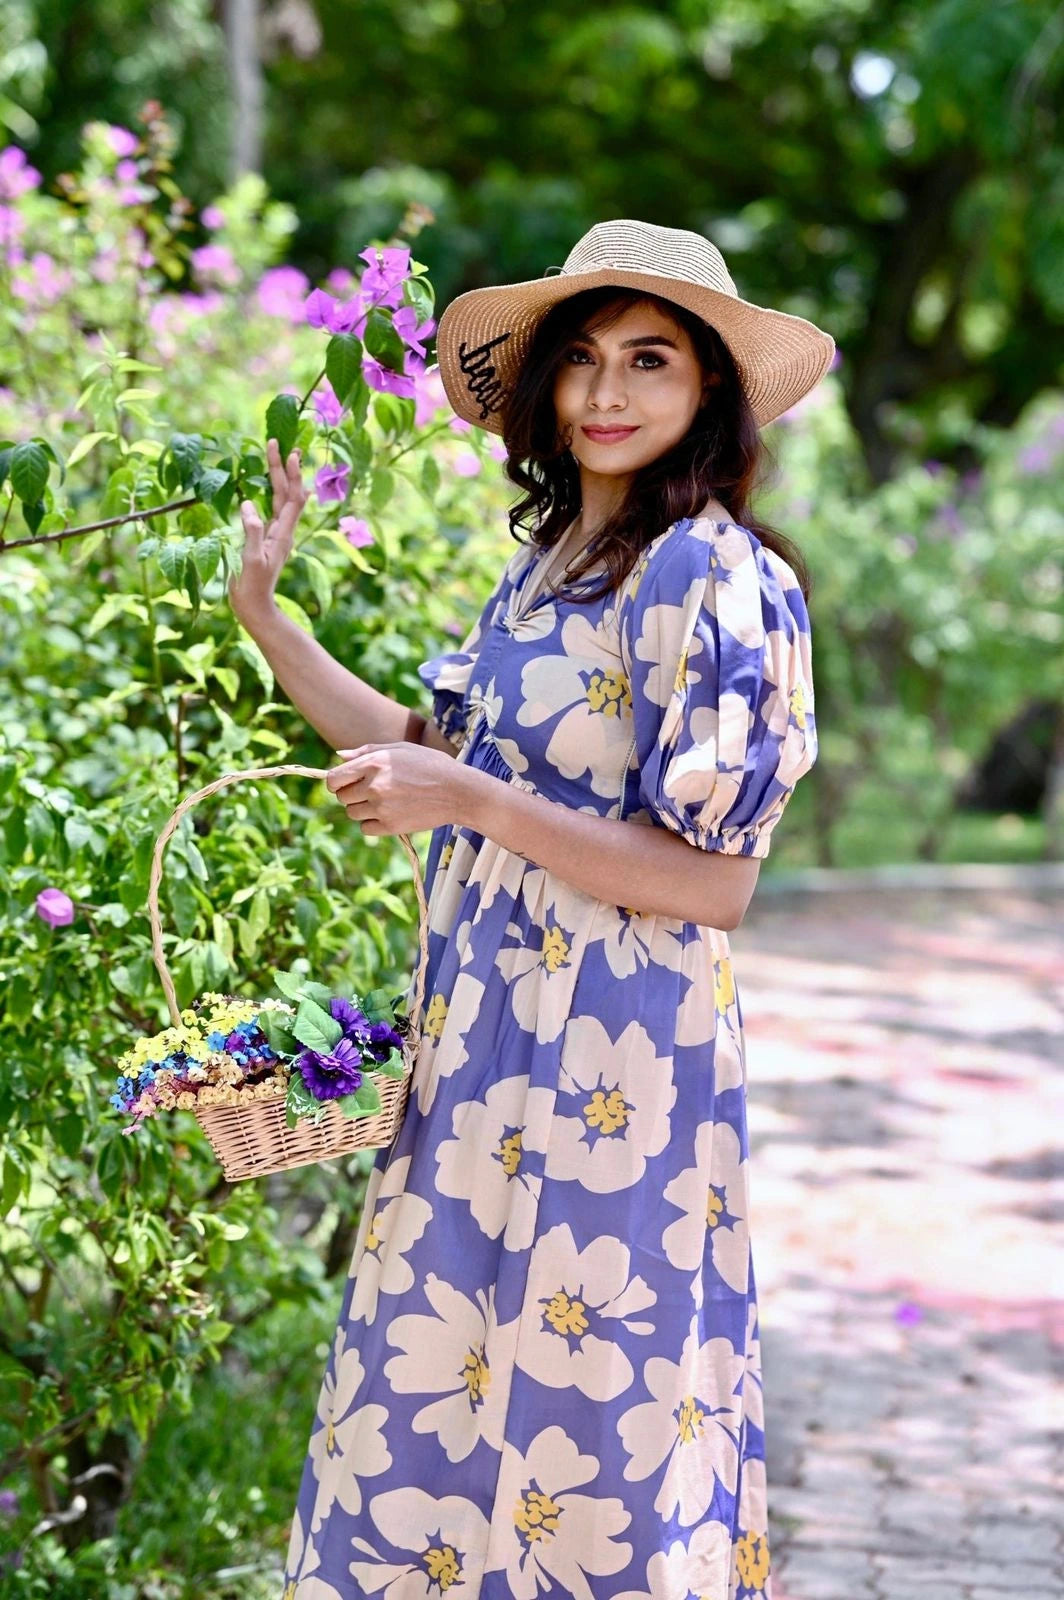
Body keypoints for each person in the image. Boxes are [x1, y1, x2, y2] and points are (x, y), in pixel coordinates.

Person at [232, 218, 834, 1600]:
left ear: (709, 394)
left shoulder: (710, 572)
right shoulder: (554, 564)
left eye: (649, 361)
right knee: (434, 1398)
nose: (607, 395)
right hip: (486, 1044)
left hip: (616, 1067)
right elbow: (422, 744)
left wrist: (472, 802)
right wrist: (268, 618)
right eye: (581, 363)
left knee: (589, 1428)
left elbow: (717, 881)